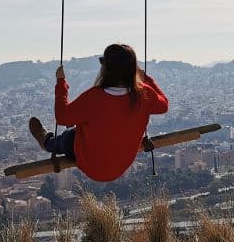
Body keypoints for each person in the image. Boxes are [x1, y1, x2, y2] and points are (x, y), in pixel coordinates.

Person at [29, 43, 169, 182]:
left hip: (90, 165)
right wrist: (145, 77)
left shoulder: (94, 97)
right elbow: (164, 105)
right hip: (120, 166)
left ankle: (47, 142)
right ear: (133, 68)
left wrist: (61, 83)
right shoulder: (144, 94)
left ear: (106, 68)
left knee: (69, 136)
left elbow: (62, 117)